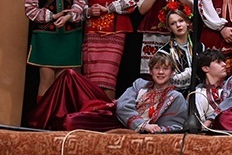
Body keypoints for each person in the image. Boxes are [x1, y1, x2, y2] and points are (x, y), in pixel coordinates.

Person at [35, 51, 188, 132]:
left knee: (69, 122)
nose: (161, 72)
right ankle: (37, 122)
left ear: (172, 72)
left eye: (165, 69)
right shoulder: (140, 84)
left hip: (122, 127)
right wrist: (142, 125)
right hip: (114, 117)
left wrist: (154, 129)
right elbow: (122, 105)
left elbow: (176, 126)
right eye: (157, 68)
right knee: (69, 75)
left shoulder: (175, 97)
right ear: (151, 71)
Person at [25, 0, 87, 99]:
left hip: (70, 36)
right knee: (46, 80)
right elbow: (30, 9)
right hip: (46, 37)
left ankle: (59, 120)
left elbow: (81, 5)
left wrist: (68, 16)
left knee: (64, 82)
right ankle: (42, 122)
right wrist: (51, 16)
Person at [157, 4, 202, 95]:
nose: (178, 25)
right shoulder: (164, 52)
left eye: (181, 21)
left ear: (188, 22)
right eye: (173, 23)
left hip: (199, 93)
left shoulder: (199, 47)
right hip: (174, 95)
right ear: (169, 28)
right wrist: (192, 72)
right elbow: (165, 79)